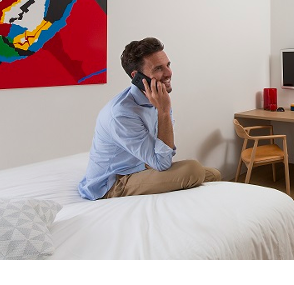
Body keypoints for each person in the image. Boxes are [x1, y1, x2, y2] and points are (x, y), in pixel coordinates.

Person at [78, 37, 221, 200]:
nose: (168, 73)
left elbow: (165, 153)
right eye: (159, 68)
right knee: (193, 169)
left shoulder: (157, 98)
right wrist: (164, 112)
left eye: (168, 65)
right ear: (137, 76)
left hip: (142, 168)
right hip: (113, 183)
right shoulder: (121, 113)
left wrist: (163, 111)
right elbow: (162, 163)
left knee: (213, 174)